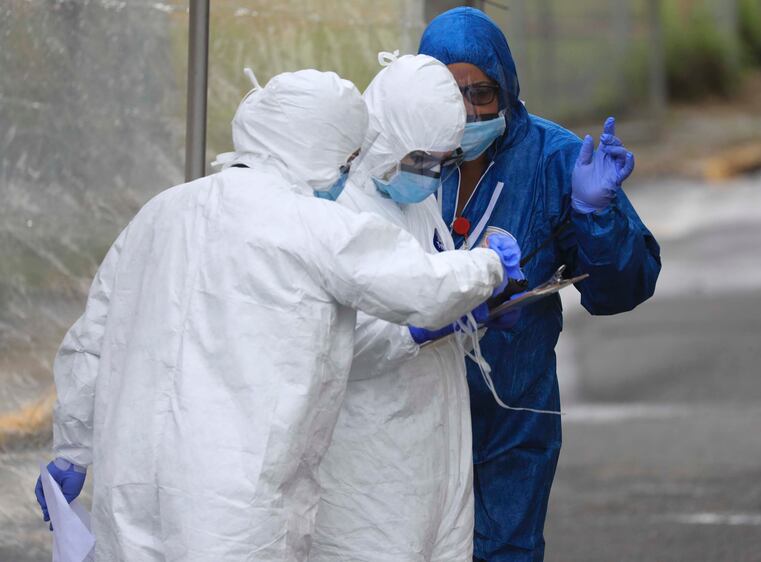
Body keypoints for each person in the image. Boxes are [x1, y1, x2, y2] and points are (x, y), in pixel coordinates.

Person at [34, 68, 521, 561]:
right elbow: (423, 285)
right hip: (234, 510)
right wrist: (490, 262)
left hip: (130, 494)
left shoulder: (158, 213)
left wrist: (71, 451)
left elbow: (90, 343)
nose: (344, 174)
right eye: (346, 159)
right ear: (319, 147)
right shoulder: (309, 224)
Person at [419, 8, 662, 561]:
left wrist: (595, 216)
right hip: (414, 406)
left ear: (507, 86)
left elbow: (621, 291)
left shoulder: (555, 159)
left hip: (512, 408)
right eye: (449, 92)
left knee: (505, 550)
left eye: (482, 92)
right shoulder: (408, 157)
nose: (467, 110)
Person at [310, 52, 519, 562]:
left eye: (445, 163)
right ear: (384, 142)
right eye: (424, 162)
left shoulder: (413, 197)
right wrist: (412, 334)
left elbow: (430, 284)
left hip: (434, 448)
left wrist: (471, 311)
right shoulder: (337, 209)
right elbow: (325, 343)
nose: (434, 174)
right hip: (369, 463)